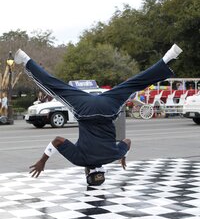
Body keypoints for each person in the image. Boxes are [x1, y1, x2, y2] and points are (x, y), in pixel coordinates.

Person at [14, 44, 182, 186]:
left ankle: (168, 57)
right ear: (88, 171)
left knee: (132, 85)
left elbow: (127, 141)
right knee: (57, 87)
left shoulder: (113, 155)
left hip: (108, 108)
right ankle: (26, 59)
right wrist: (43, 161)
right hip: (84, 110)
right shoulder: (80, 160)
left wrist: (122, 156)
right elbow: (58, 140)